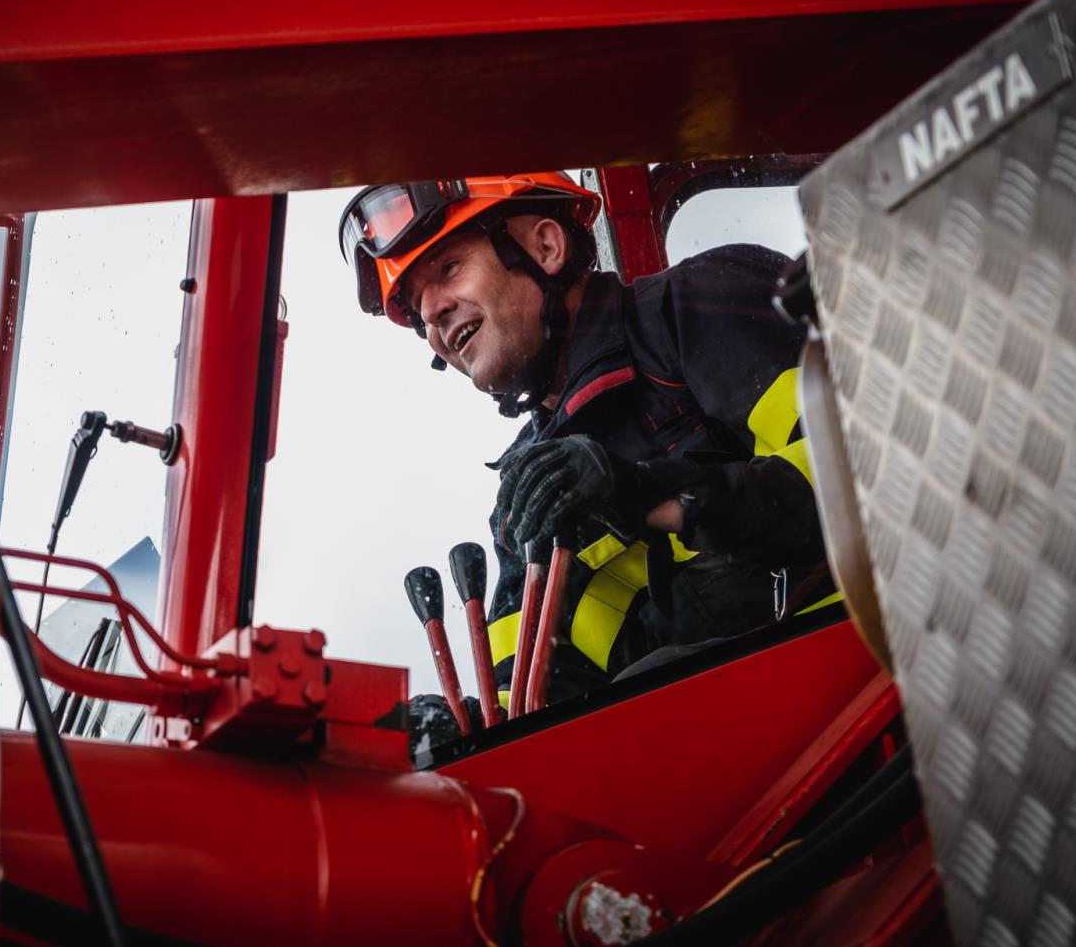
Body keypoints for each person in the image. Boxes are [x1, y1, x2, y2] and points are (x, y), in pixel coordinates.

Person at [339, 173, 833, 712]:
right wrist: (460, 735)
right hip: (722, 741)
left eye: (449, 268)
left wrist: (647, 495)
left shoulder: (700, 301)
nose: (432, 313)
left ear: (546, 247)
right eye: (416, 308)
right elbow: (532, 705)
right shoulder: (529, 499)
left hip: (864, 672)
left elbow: (855, 478)